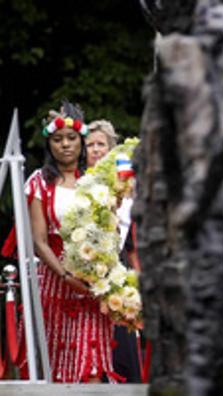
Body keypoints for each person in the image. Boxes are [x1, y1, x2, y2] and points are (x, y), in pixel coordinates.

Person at [3, 101, 123, 383]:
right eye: (58, 140)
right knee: (52, 362)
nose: (65, 145)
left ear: (81, 142)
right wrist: (65, 274)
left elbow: (111, 231)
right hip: (54, 281)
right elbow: (39, 240)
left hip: (93, 284)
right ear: (50, 145)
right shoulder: (38, 182)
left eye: (71, 138)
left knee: (91, 361)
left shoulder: (96, 181)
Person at [86, 120, 142, 383]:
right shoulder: (76, 184)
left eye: (101, 144)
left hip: (118, 269)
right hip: (84, 269)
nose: (95, 150)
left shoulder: (126, 186)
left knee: (124, 350)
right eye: (90, 144)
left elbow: (132, 243)